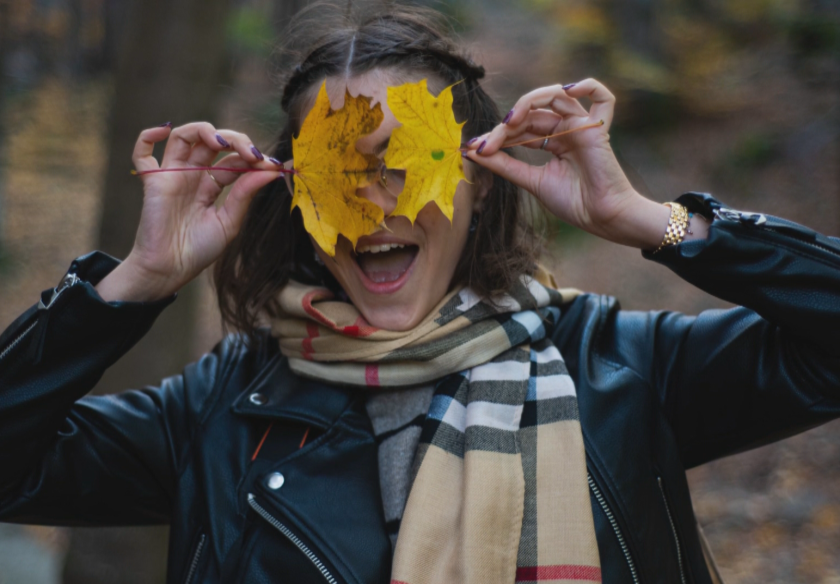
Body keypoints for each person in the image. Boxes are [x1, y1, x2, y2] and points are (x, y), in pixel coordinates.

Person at [1, 4, 838, 584]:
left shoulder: (621, 367)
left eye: (409, 166)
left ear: (478, 184)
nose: (376, 206)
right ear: (294, 195)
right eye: (337, 175)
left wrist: (652, 222)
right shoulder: (220, 415)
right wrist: (133, 283)